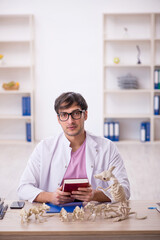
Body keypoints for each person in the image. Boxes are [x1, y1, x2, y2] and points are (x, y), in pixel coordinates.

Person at [18, 92, 130, 204]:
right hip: (54, 216)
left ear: (85, 115)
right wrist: (51, 197)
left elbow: (124, 190)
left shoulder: (107, 147)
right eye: (64, 115)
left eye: (76, 113)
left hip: (95, 216)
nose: (70, 121)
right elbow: (23, 188)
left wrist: (95, 195)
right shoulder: (44, 148)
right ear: (58, 119)